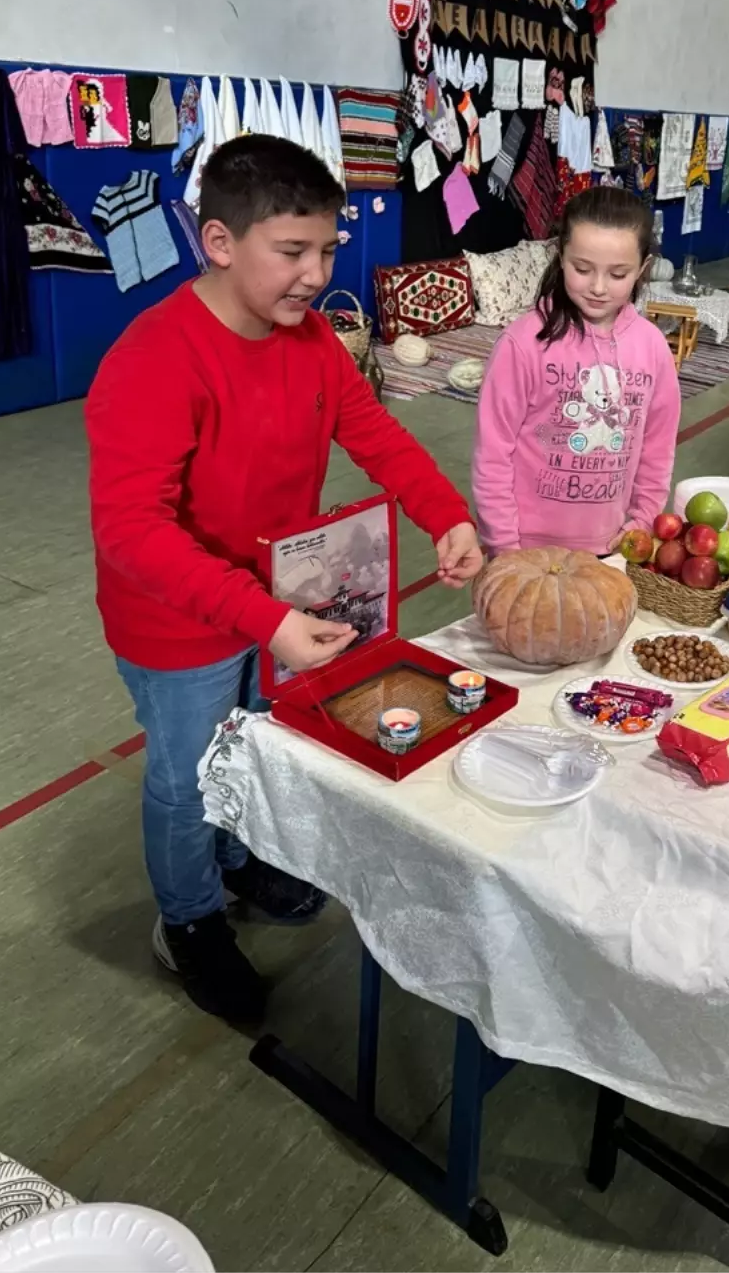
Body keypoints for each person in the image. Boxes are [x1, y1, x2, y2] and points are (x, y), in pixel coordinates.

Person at [86, 135, 483, 1025]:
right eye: (292, 251)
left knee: (260, 747)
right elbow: (130, 531)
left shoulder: (309, 344)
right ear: (219, 242)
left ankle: (239, 860)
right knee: (187, 778)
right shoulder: (155, 359)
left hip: (274, 606)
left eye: (329, 248)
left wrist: (444, 513)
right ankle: (187, 921)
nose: (316, 274)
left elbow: (374, 433)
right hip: (180, 623)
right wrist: (260, 617)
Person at [472, 186, 681, 555]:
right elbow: (493, 454)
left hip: (613, 547)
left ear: (643, 269)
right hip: (524, 551)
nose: (598, 288)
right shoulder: (522, 343)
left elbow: (657, 450)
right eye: (582, 269)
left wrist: (642, 521)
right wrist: (504, 545)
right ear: (560, 255)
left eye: (618, 274)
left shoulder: (653, 348)